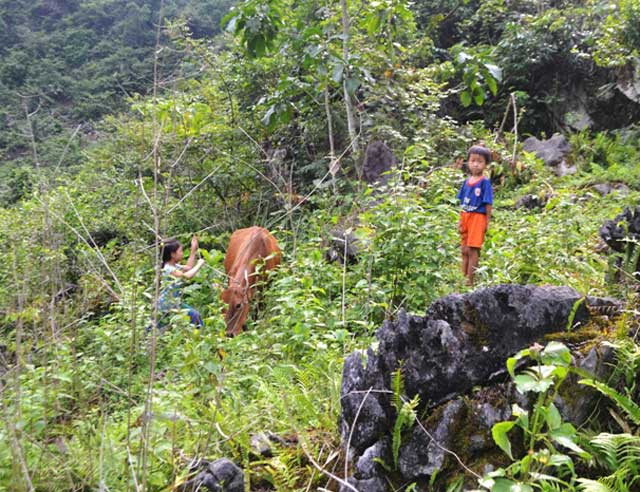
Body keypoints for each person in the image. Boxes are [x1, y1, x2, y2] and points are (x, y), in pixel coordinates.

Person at [457, 145, 493, 287]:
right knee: (464, 249)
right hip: (466, 216)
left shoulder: (485, 182)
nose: (476, 164)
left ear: (485, 164)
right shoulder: (466, 182)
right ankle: (462, 277)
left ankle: (470, 281)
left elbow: (488, 203)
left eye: (480, 161)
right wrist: (460, 221)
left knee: (473, 249)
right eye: (473, 160)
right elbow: (461, 202)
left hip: (478, 217)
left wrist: (487, 221)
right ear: (468, 161)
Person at [158, 235, 206, 328]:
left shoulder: (174, 266)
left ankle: (197, 336)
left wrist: (193, 250)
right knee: (156, 329)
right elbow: (186, 276)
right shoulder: (168, 269)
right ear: (172, 254)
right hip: (166, 305)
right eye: (180, 251)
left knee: (195, 315)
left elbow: (188, 268)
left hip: (174, 303)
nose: (182, 253)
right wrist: (199, 264)